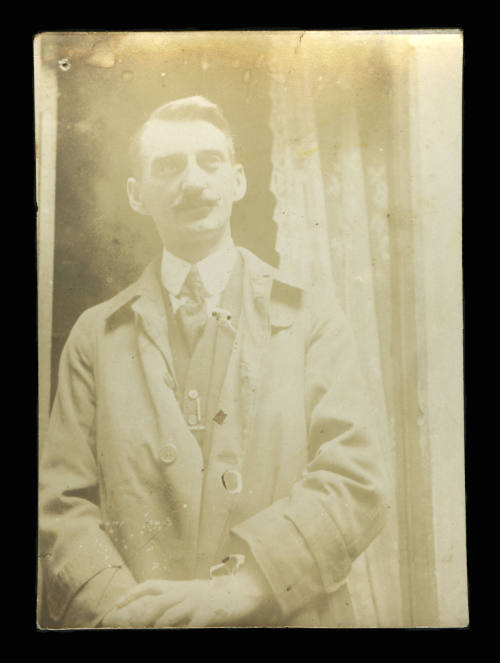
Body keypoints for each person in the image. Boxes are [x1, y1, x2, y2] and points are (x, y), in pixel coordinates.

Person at [39, 95, 387, 628]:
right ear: (138, 194)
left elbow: (355, 480)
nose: (194, 182)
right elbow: (62, 506)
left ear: (238, 181)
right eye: (169, 166)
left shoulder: (309, 317)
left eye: (210, 162)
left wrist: (240, 590)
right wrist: (125, 612)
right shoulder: (96, 337)